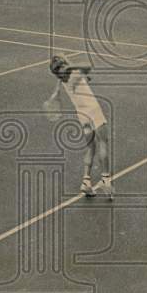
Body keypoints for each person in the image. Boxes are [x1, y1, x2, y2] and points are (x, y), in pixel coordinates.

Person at [47, 54, 112, 200]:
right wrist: (72, 65)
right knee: (103, 142)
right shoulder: (75, 73)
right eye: (63, 65)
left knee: (90, 148)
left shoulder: (62, 80)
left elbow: (77, 76)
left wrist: (68, 69)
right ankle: (105, 179)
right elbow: (88, 65)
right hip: (94, 111)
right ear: (63, 67)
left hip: (83, 117)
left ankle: (86, 181)